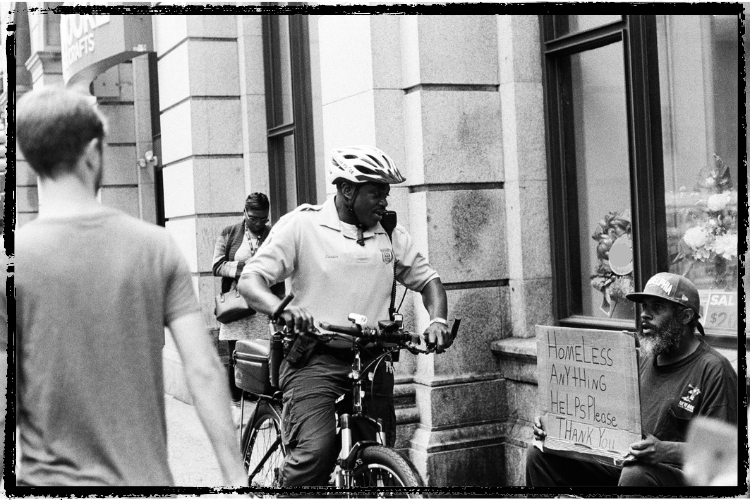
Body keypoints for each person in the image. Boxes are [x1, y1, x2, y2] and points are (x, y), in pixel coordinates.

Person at [15, 86, 247, 487]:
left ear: (33, 161)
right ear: (92, 153)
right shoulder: (154, 247)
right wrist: (236, 480)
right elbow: (204, 369)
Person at [238, 145, 453, 487]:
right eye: (376, 193)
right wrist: (282, 308)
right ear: (347, 190)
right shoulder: (302, 225)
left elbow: (429, 281)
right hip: (314, 359)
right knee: (316, 452)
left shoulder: (390, 233)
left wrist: (437, 321)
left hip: (371, 359)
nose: (384, 202)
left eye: (386, 193)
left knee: (377, 452)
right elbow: (251, 280)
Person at [526, 272, 738, 487]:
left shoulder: (714, 369)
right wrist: (554, 424)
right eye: (644, 307)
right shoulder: (641, 358)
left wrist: (665, 451)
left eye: (657, 307)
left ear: (684, 317)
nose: (644, 315)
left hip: (682, 477)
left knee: (637, 474)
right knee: (539, 455)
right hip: (628, 463)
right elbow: (600, 414)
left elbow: (726, 453)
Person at [212, 192, 282, 408]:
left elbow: (280, 267)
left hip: (261, 304)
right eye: (253, 218)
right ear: (244, 213)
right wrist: (245, 268)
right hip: (237, 304)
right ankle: (237, 403)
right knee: (236, 355)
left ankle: (261, 404)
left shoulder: (273, 234)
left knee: (263, 354)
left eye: (263, 218)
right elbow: (217, 265)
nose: (258, 223)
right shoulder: (229, 233)